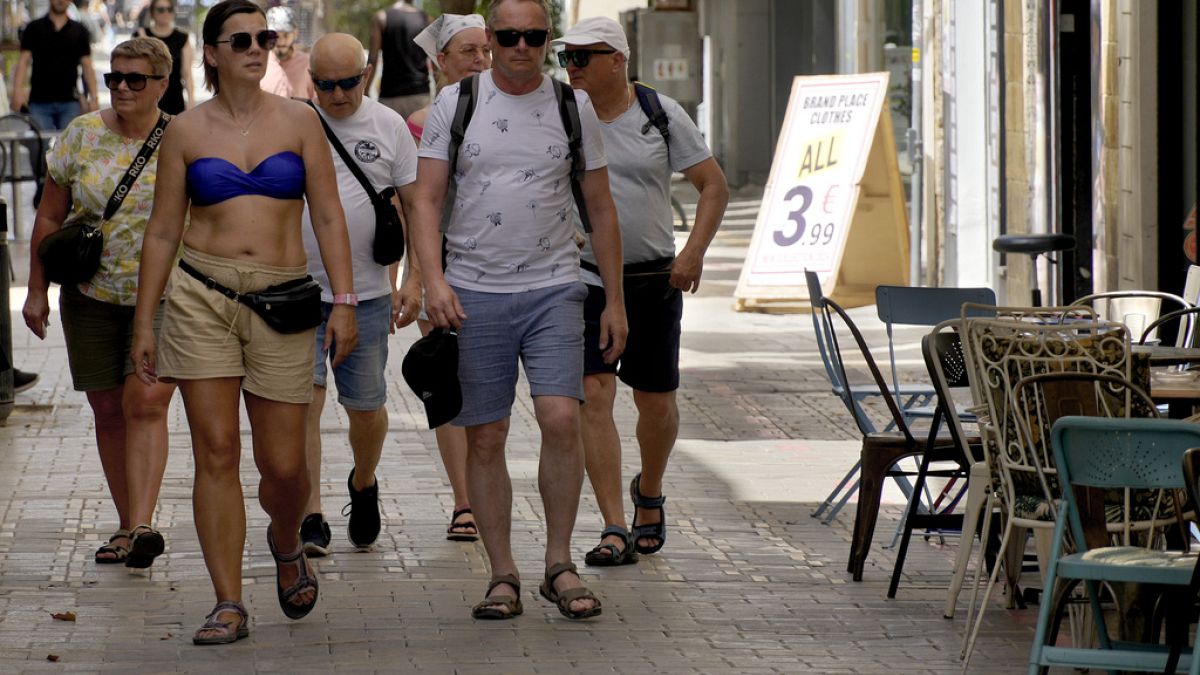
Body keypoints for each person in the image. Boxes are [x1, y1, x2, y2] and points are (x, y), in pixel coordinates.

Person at [129, 0, 358, 645]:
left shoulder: (301, 122)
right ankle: (227, 600)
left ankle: (287, 542)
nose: (257, 48)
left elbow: (331, 216)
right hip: (201, 294)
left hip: (285, 299)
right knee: (217, 451)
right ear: (211, 53)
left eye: (265, 37)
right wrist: (145, 321)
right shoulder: (184, 131)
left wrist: (344, 302)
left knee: (283, 465)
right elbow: (163, 229)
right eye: (241, 40)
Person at [411, 0, 627, 621]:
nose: (521, 47)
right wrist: (434, 281)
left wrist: (614, 301)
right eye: (508, 36)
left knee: (561, 417)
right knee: (487, 435)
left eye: (535, 36)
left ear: (547, 40)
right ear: (492, 38)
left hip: (557, 285)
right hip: (474, 292)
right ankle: (501, 571)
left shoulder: (571, 104)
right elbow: (424, 201)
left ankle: (558, 563)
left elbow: (602, 208)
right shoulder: (459, 102)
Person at [555, 19, 729, 565]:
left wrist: (693, 253)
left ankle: (648, 491)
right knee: (594, 395)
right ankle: (612, 525)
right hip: (582, 277)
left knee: (655, 405)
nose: (573, 67)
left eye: (585, 56)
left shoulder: (658, 113)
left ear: (618, 59)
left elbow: (713, 186)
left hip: (654, 279)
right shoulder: (558, 114)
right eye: (567, 57)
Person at [21, 37, 178, 569]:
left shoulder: (181, 138)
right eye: (115, 78)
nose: (123, 88)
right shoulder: (81, 134)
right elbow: (48, 216)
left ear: (162, 83)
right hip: (89, 295)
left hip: (162, 299)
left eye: (136, 79)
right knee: (108, 410)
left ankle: (142, 523)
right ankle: (125, 521)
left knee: (146, 403)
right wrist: (37, 289)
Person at [298, 32, 421, 557]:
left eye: (348, 82)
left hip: (369, 292)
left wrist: (415, 278)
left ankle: (363, 482)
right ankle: (310, 515)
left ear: (366, 75)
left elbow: (417, 207)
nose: (338, 94)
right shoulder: (298, 122)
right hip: (299, 291)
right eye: (326, 84)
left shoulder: (389, 126)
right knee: (303, 402)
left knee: (365, 408)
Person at [407, 12, 490, 541]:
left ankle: (485, 494)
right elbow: (412, 207)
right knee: (449, 380)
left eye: (486, 50)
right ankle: (464, 500)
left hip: (500, 268)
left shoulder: (517, 113)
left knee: (487, 388)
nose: (481, 60)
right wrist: (416, 277)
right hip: (441, 266)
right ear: (440, 62)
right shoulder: (418, 124)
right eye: (469, 52)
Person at [12, 0, 99, 129]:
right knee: (40, 147)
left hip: (70, 101)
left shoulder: (80, 31)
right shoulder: (33, 28)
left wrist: (94, 98)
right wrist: (17, 92)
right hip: (39, 101)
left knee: (70, 146)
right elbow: (23, 62)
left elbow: (87, 67)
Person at [367, 0, 429, 118]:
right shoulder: (425, 18)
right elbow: (434, 59)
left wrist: (365, 92)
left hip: (391, 96)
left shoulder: (381, 17)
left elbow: (373, 59)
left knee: (389, 136)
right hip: (420, 95)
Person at [135, 0, 193, 114]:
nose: (165, 13)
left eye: (169, 9)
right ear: (152, 13)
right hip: (147, 99)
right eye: (161, 10)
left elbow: (187, 73)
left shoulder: (182, 38)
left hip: (174, 98)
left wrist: (191, 101)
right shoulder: (141, 35)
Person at [260, 6, 314, 100]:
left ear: (295, 33)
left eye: (286, 35)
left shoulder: (309, 64)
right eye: (275, 35)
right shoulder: (259, 63)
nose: (280, 41)